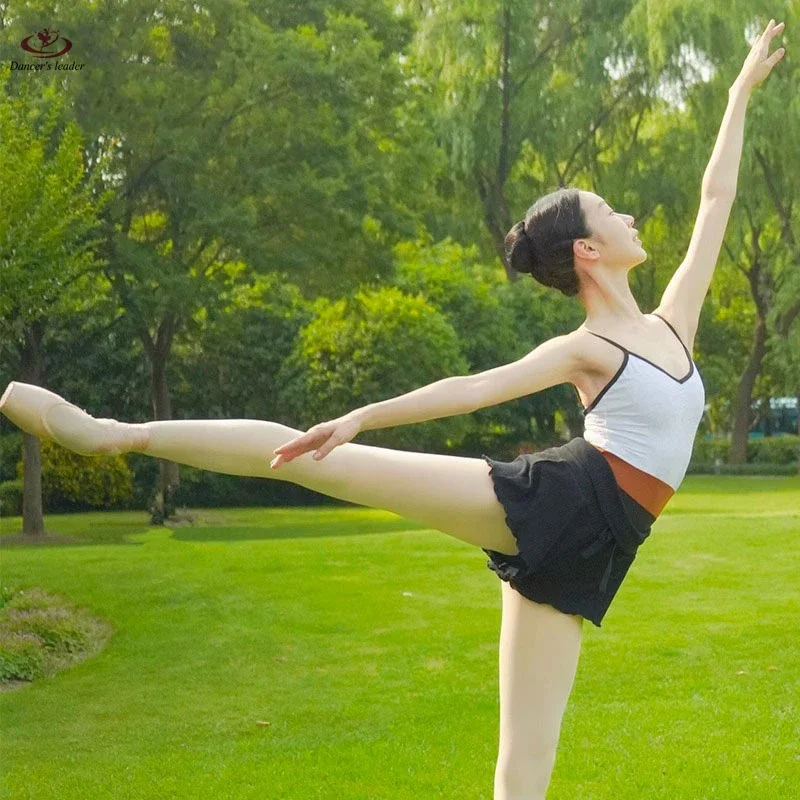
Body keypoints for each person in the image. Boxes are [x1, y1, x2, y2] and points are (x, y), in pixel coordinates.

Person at [0, 19, 784, 800]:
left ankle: (124, 434)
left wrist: (737, 90)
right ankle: (112, 434)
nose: (632, 218)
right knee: (323, 462)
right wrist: (363, 415)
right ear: (587, 249)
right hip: (562, 502)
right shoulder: (587, 349)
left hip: (597, 546)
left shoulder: (671, 323)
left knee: (522, 777)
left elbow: (718, 196)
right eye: (611, 210)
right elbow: (473, 389)